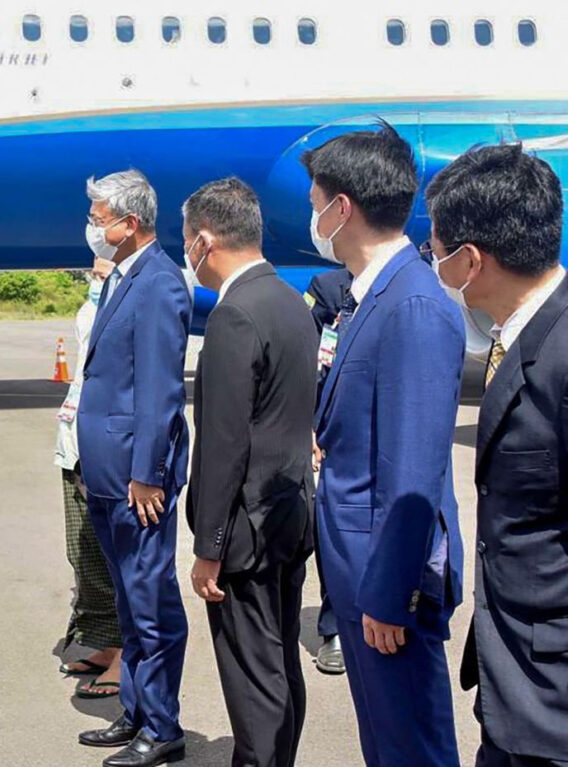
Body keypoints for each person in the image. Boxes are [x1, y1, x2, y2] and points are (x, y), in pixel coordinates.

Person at [304, 122, 465, 767]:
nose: (313, 217)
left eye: (316, 203)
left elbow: (414, 472)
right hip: (363, 574)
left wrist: (391, 593)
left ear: (342, 208)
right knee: (387, 741)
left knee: (411, 747)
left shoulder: (412, 305)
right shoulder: (374, 295)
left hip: (385, 585)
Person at [426, 144, 568, 767]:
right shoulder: (520, 337)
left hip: (554, 703)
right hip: (511, 685)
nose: (434, 264)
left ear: (471, 260)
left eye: (436, 251)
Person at [183, 178, 318, 767]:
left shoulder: (233, 315)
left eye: (187, 239)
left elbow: (224, 443)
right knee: (280, 665)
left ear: (204, 241)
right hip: (288, 512)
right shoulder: (289, 301)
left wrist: (209, 547)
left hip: (246, 530)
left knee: (254, 682)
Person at [76, 170, 191, 767]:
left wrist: (148, 471)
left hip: (135, 479)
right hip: (106, 471)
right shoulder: (123, 277)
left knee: (150, 603)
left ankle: (163, 726)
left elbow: (159, 390)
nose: (92, 227)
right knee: (127, 600)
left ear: (131, 222)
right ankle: (138, 709)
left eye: (99, 218)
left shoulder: (159, 283)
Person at [54, 256, 124, 700]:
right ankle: (106, 641)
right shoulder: (93, 304)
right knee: (83, 553)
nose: (96, 279)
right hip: (76, 441)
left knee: (114, 558)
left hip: (103, 449)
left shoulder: (132, 302)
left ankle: (126, 652)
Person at [303, 266, 354, 676]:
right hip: (337, 429)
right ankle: (335, 628)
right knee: (335, 528)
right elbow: (307, 356)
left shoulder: (416, 281)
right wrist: (309, 423)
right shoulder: (328, 288)